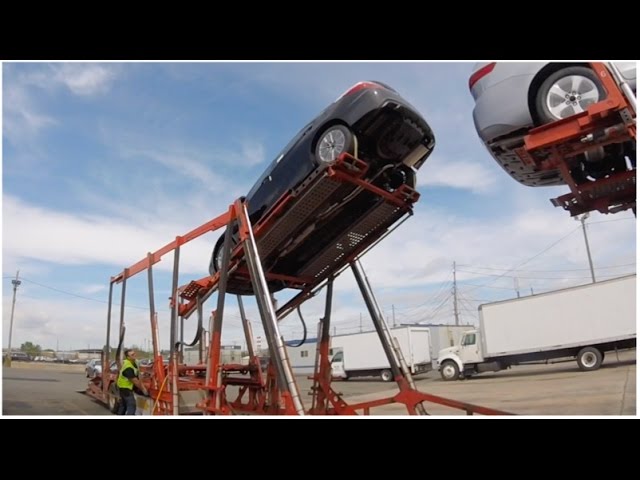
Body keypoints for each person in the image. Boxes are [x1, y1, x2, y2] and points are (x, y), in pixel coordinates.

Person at [116, 349, 148, 415]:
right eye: (132, 355)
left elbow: (138, 373)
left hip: (124, 387)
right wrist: (144, 389)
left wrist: (142, 380)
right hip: (125, 388)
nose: (134, 355)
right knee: (131, 406)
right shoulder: (128, 367)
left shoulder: (135, 362)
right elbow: (135, 381)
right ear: (128, 357)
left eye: (134, 353)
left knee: (123, 405)